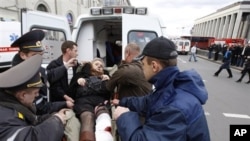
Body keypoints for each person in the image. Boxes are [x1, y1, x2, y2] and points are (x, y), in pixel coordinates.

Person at [113, 36, 210, 141]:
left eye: (143, 64)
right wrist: (123, 102)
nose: (142, 68)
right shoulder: (171, 87)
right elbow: (148, 102)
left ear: (154, 66)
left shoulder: (174, 109)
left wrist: (123, 116)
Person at [0, 54, 69, 141]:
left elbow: (33, 119)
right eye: (35, 93)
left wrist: (54, 116)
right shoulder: (7, 117)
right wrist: (57, 121)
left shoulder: (13, 106)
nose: (37, 95)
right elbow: (30, 138)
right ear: (23, 95)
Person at [10, 30, 74, 115]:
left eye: (41, 55)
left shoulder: (33, 66)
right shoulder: (22, 77)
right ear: (23, 55)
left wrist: (66, 66)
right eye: (35, 55)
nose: (39, 59)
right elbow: (40, 107)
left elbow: (49, 75)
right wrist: (64, 104)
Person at [68, 58, 113, 141]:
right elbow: (70, 92)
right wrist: (78, 81)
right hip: (84, 103)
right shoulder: (80, 75)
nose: (99, 66)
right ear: (91, 65)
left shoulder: (106, 77)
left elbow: (111, 93)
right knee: (88, 117)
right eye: (96, 64)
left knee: (104, 118)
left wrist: (109, 81)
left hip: (101, 102)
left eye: (101, 66)